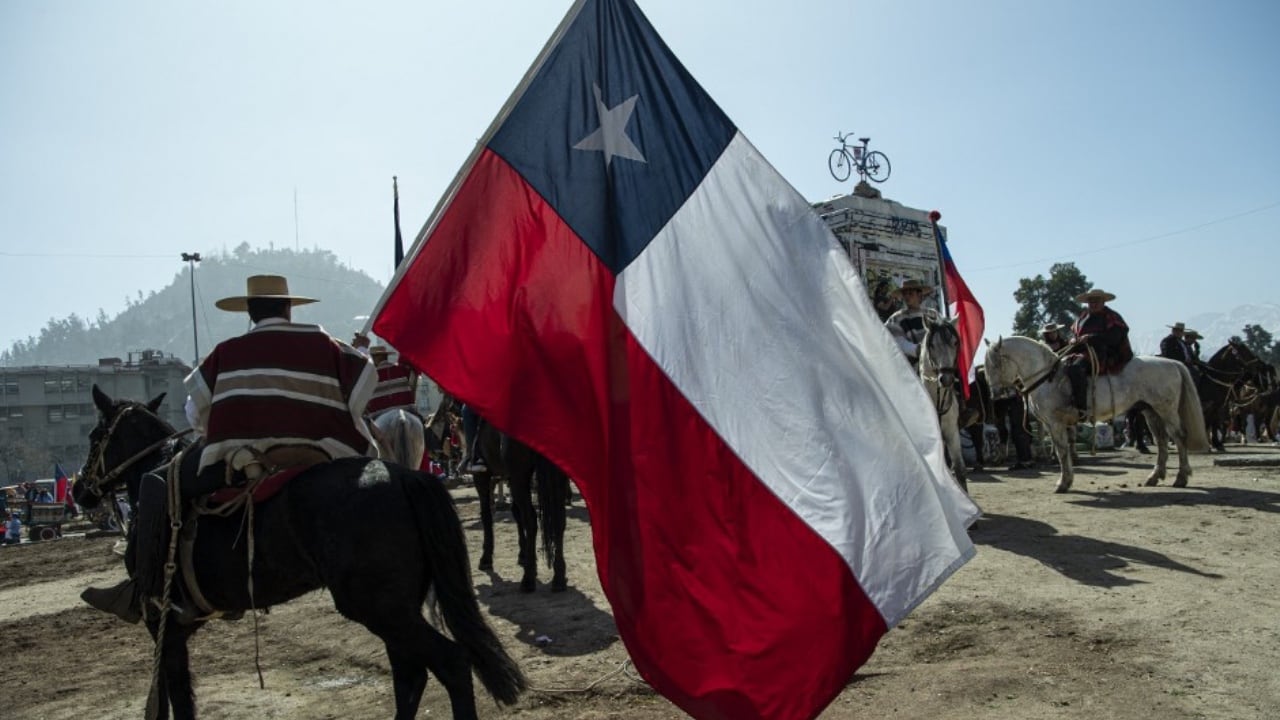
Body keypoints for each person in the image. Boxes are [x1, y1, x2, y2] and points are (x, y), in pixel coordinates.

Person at [83, 274, 379, 624]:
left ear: (250, 312)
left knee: (158, 484)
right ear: (288, 309)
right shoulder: (326, 343)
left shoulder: (227, 352)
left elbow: (196, 414)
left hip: (245, 458)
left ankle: (146, 592)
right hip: (323, 452)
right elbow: (365, 385)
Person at [1064, 288, 1133, 422]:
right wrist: (1072, 340)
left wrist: (1091, 338)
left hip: (1104, 353)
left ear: (1103, 301)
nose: (1093, 304)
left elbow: (1115, 337)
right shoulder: (1082, 317)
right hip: (1082, 351)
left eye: (1097, 301)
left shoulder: (1111, 316)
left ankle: (1081, 408)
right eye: (1091, 301)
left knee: (1075, 369)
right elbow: (1074, 335)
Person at [351, 335, 421, 418]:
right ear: (386, 356)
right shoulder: (402, 369)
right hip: (407, 412)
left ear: (375, 358)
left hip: (378, 416)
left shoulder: (371, 374)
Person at [884, 279, 940, 367]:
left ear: (919, 295)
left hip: (937, 365)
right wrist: (920, 350)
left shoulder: (932, 314)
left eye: (910, 293)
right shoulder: (897, 318)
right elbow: (897, 342)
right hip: (911, 369)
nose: (907, 296)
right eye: (904, 294)